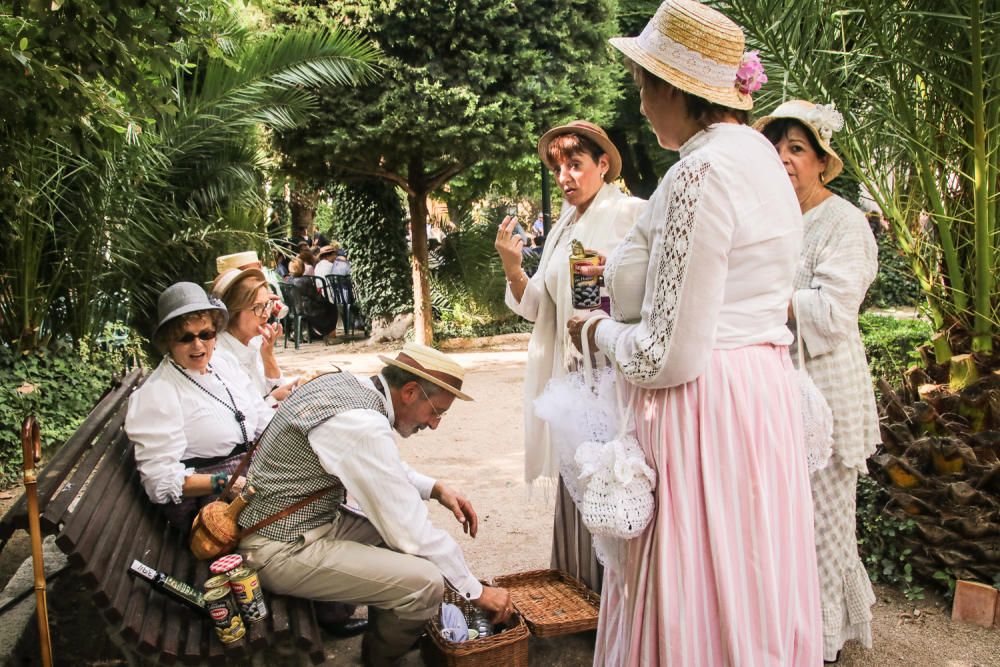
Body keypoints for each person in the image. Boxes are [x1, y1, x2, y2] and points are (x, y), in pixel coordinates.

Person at [567, 1, 823, 663]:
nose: (643, 103)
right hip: (759, 397)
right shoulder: (764, 162)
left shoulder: (699, 174)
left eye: (646, 85)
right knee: (750, 572)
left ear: (677, 90)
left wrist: (595, 334)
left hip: (705, 409)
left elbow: (667, 353)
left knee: (698, 581)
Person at [236, 343, 513, 666]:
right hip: (277, 548)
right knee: (425, 583)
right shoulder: (360, 423)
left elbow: (382, 466)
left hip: (298, 524)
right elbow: (408, 529)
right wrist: (475, 590)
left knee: (407, 551)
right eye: (436, 412)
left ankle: (389, 633)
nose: (434, 424)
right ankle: (380, 657)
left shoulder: (348, 386)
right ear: (410, 391)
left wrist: (435, 489)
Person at [495, 120, 646, 592]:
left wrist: (606, 320)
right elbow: (540, 304)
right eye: (558, 167)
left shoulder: (630, 212)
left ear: (603, 165)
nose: (565, 176)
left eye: (575, 164)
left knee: (611, 482)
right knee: (579, 477)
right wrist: (513, 268)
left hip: (611, 371)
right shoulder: (565, 225)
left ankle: (617, 599)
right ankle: (582, 588)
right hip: (574, 373)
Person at [756, 99, 879, 663]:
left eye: (797, 149)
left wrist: (763, 302)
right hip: (779, 387)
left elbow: (834, 312)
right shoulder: (770, 216)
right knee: (784, 516)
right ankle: (791, 628)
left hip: (828, 389)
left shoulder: (844, 221)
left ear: (823, 163)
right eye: (777, 146)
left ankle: (825, 640)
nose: (783, 158)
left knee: (825, 519)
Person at [124, 282, 272, 529]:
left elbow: (261, 414)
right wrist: (223, 482)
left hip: (252, 477)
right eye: (185, 337)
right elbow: (159, 482)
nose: (198, 345)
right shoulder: (158, 393)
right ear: (168, 341)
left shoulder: (223, 363)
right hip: (213, 506)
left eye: (206, 334)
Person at [211, 268, 298, 405]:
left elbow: (280, 391)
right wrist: (271, 399)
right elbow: (242, 416)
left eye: (267, 305)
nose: (266, 315)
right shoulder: (218, 356)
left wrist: (268, 355)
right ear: (232, 312)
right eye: (257, 307)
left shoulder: (255, 341)